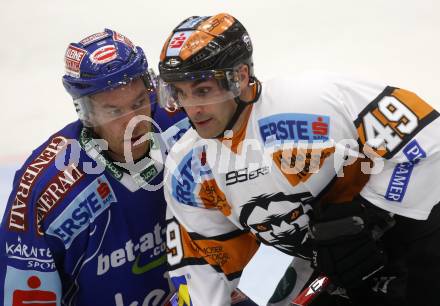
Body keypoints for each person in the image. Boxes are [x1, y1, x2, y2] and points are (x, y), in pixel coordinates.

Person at [157, 13, 440, 306]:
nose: (193, 109)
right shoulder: (186, 173)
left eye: (203, 91)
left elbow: (430, 139)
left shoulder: (311, 102)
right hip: (335, 274)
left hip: (409, 235)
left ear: (239, 77)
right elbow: (237, 266)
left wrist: (371, 212)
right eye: (180, 93)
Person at [0, 29, 192, 306]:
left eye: (139, 102)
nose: (134, 122)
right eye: (114, 111)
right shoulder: (47, 187)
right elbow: (25, 296)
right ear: (87, 114)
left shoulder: (185, 122)